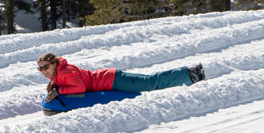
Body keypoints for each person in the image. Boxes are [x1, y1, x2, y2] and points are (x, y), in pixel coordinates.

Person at [37, 52, 203, 103]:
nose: (43, 71)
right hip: (110, 79)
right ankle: (190, 74)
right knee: (150, 82)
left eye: (46, 67)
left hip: (113, 79)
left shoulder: (64, 72)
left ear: (54, 64)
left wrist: (60, 90)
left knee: (151, 83)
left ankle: (190, 73)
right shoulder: (60, 73)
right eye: (40, 69)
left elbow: (79, 88)